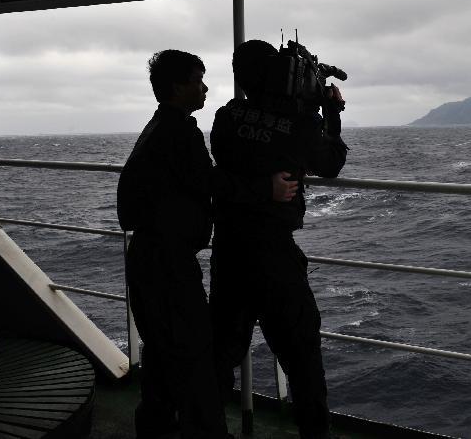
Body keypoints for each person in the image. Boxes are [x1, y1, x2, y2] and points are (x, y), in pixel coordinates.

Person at [117, 49, 293, 439]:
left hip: (150, 259)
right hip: (167, 266)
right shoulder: (179, 131)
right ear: (178, 86)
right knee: (193, 354)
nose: (205, 87)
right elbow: (211, 182)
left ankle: (157, 429)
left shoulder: (161, 127)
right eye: (198, 79)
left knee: (163, 355)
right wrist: (269, 187)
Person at [209, 39, 348, 439]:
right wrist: (330, 113)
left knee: (220, 353)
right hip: (273, 256)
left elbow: (229, 161)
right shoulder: (301, 126)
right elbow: (332, 164)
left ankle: (208, 429)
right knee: (303, 358)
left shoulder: (225, 117)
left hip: (229, 249)